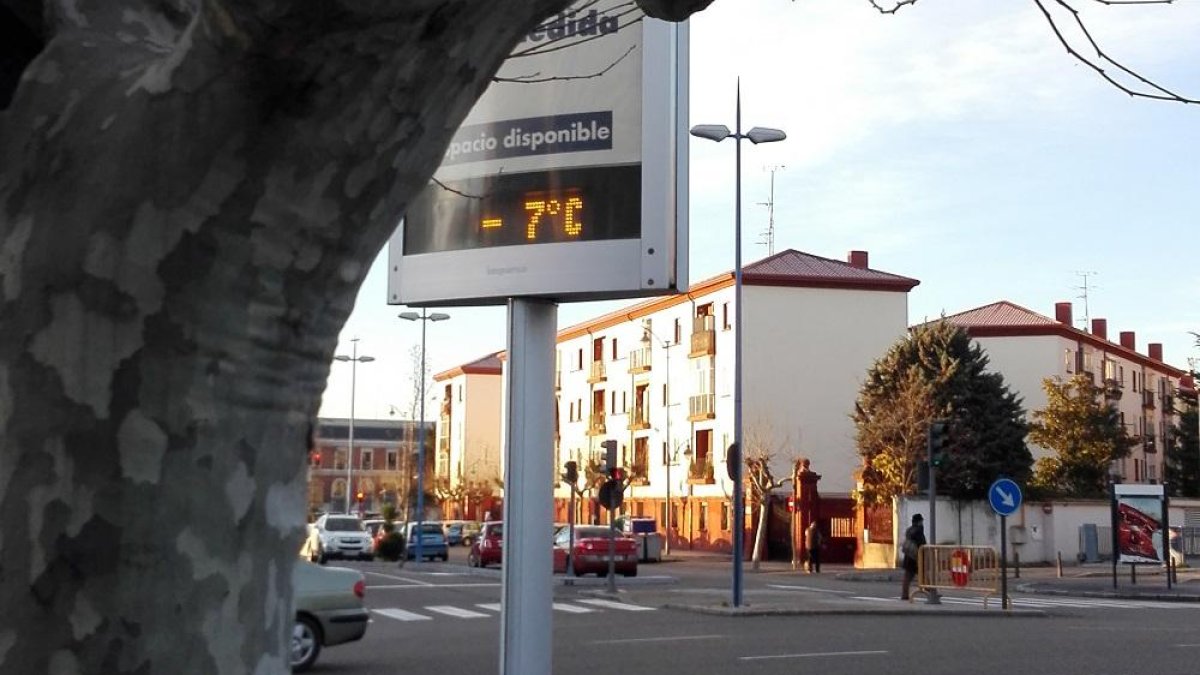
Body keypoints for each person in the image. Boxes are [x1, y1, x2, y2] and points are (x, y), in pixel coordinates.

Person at [901, 513, 926, 600]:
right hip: (915, 556)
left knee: (907, 577)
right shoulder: (919, 530)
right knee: (924, 575)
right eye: (921, 521)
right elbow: (921, 543)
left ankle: (904, 594)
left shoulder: (909, 530)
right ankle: (931, 591)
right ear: (919, 521)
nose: (922, 522)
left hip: (908, 556)